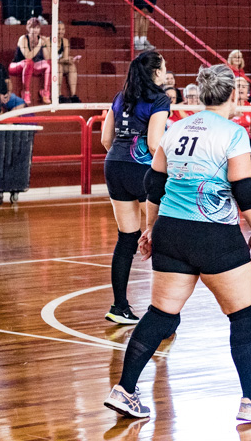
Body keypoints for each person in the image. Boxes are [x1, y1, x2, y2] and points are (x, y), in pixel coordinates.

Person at [103, 64, 251, 423]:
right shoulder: (233, 133)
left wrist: (150, 229)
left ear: (201, 94)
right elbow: (243, 189)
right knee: (245, 316)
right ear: (232, 95)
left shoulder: (175, 129)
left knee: (160, 315)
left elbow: (154, 184)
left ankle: (124, 390)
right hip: (214, 236)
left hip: (171, 231)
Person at [101, 51, 170, 325]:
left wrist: (122, 158)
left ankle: (119, 307)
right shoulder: (160, 99)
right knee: (162, 237)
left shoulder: (121, 97)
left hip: (114, 165)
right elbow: (154, 143)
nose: (166, 71)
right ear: (156, 72)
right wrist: (169, 171)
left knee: (126, 238)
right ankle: (163, 312)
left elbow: (106, 139)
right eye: (164, 67)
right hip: (141, 170)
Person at [8, 18, 51, 104]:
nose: (35, 30)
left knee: (49, 63)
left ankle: (45, 92)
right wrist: (39, 44)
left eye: (37, 28)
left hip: (31, 67)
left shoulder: (41, 40)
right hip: (16, 65)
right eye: (32, 27)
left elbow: (47, 58)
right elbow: (28, 56)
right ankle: (26, 92)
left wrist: (45, 45)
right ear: (28, 28)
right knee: (28, 62)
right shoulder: (23, 39)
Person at [0, 44, 26, 112]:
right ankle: (0, 116)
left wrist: (8, 93)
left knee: (21, 103)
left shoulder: (0, 67)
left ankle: (9, 118)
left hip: (5, 95)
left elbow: (8, 82)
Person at [55, 22, 82, 103]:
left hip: (60, 63)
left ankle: (73, 96)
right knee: (58, 67)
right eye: (59, 29)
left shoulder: (65, 41)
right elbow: (50, 59)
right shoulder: (49, 41)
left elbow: (65, 58)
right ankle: (58, 95)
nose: (61, 31)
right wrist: (65, 59)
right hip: (51, 65)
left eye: (63, 29)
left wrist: (71, 59)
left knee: (72, 66)